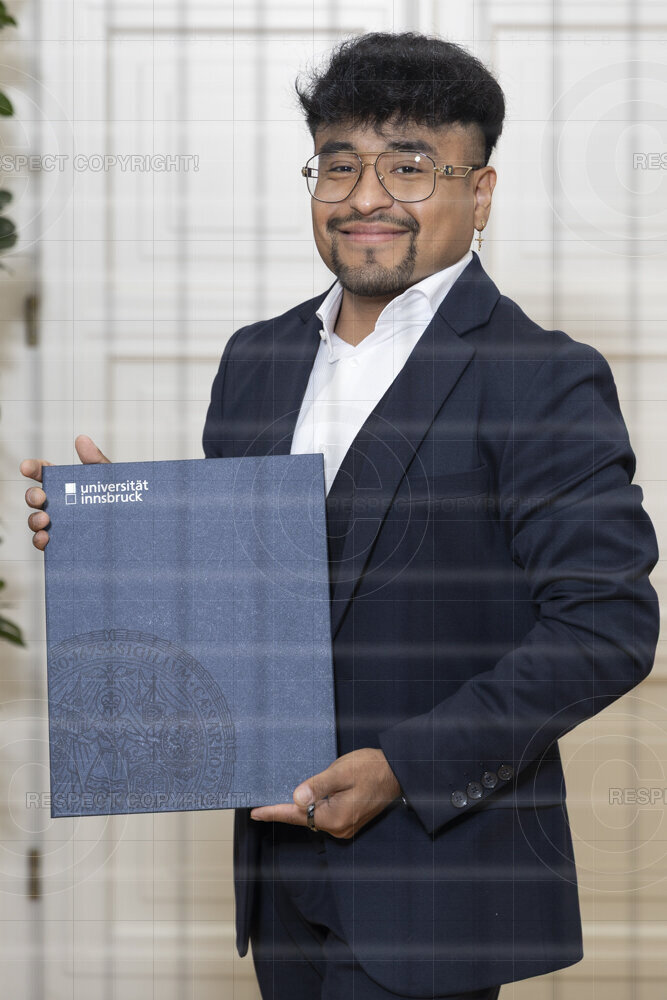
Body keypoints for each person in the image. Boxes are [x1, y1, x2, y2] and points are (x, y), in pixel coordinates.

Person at [22, 31, 659, 1000]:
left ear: (479, 192)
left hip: (433, 884)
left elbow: (605, 626)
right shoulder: (257, 358)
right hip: (277, 867)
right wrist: (126, 546)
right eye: (339, 164)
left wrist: (403, 766)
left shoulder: (541, 376)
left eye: (409, 165)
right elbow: (247, 601)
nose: (366, 196)